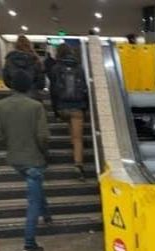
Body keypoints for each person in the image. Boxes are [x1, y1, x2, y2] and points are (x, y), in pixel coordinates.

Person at [0, 70, 51, 251]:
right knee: (33, 199)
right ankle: (29, 241)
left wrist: (13, 143)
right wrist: (44, 154)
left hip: (14, 159)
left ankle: (47, 214)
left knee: (36, 185)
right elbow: (42, 136)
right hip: (33, 159)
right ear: (29, 86)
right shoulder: (35, 106)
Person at [46, 43, 88, 181]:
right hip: (77, 107)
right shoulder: (79, 67)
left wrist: (55, 110)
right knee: (78, 139)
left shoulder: (56, 68)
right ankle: (78, 165)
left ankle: (72, 143)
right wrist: (85, 107)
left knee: (70, 124)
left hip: (62, 107)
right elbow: (85, 88)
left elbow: (53, 91)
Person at [3, 35, 45, 100]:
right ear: (29, 45)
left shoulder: (10, 59)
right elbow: (41, 82)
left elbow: (6, 79)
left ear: (16, 45)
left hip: (15, 93)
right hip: (33, 94)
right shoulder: (35, 59)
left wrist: (14, 86)